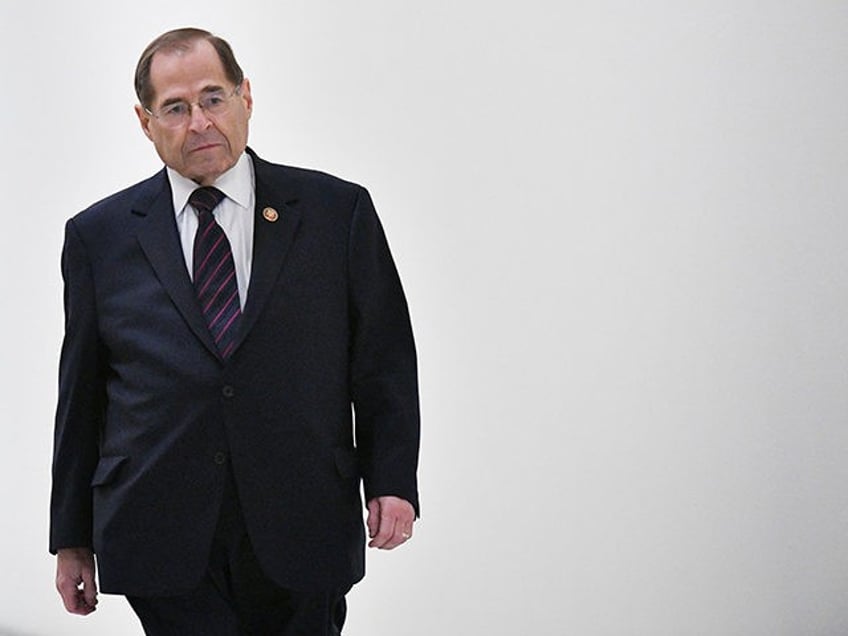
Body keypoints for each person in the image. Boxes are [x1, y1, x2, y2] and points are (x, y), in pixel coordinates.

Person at [49, 27, 420, 635]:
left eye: (213, 98)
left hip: (303, 518)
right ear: (146, 123)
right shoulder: (100, 237)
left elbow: (383, 362)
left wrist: (392, 480)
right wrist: (71, 536)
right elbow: (82, 394)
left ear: (246, 96)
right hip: (157, 528)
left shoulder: (335, 212)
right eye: (175, 108)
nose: (199, 122)